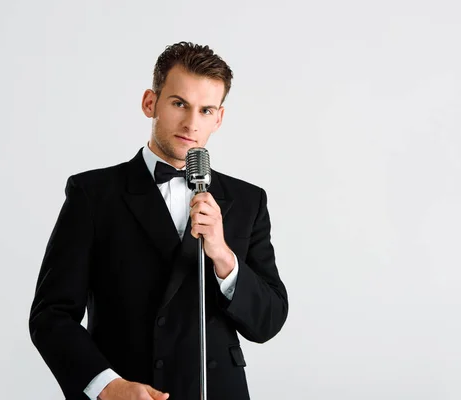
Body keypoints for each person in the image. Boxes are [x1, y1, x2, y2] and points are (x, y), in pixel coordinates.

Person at [28, 41, 288, 400]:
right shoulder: (93, 194)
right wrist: (108, 386)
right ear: (150, 103)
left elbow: (268, 321)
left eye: (206, 110)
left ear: (219, 118)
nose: (191, 123)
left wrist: (224, 256)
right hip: (131, 391)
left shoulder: (248, 201)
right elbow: (51, 316)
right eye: (179, 104)